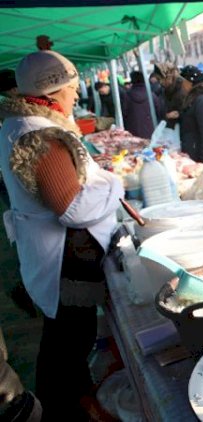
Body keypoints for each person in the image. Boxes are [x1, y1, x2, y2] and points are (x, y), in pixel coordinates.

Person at [0, 50, 123, 419]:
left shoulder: (20, 124)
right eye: (72, 88)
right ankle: (65, 409)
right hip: (63, 265)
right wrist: (114, 184)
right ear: (53, 92)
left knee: (63, 341)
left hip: (48, 256)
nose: (75, 95)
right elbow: (72, 209)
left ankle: (69, 400)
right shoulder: (40, 135)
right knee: (68, 342)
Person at [122, 71, 163, 139]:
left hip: (132, 130)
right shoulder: (151, 95)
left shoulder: (127, 95)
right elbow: (159, 111)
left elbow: (124, 112)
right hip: (150, 130)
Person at [153, 62, 187, 129]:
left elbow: (189, 112)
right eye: (158, 80)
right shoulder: (165, 90)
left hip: (183, 130)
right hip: (172, 131)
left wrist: (179, 114)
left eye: (160, 79)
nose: (160, 82)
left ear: (168, 76)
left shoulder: (182, 89)